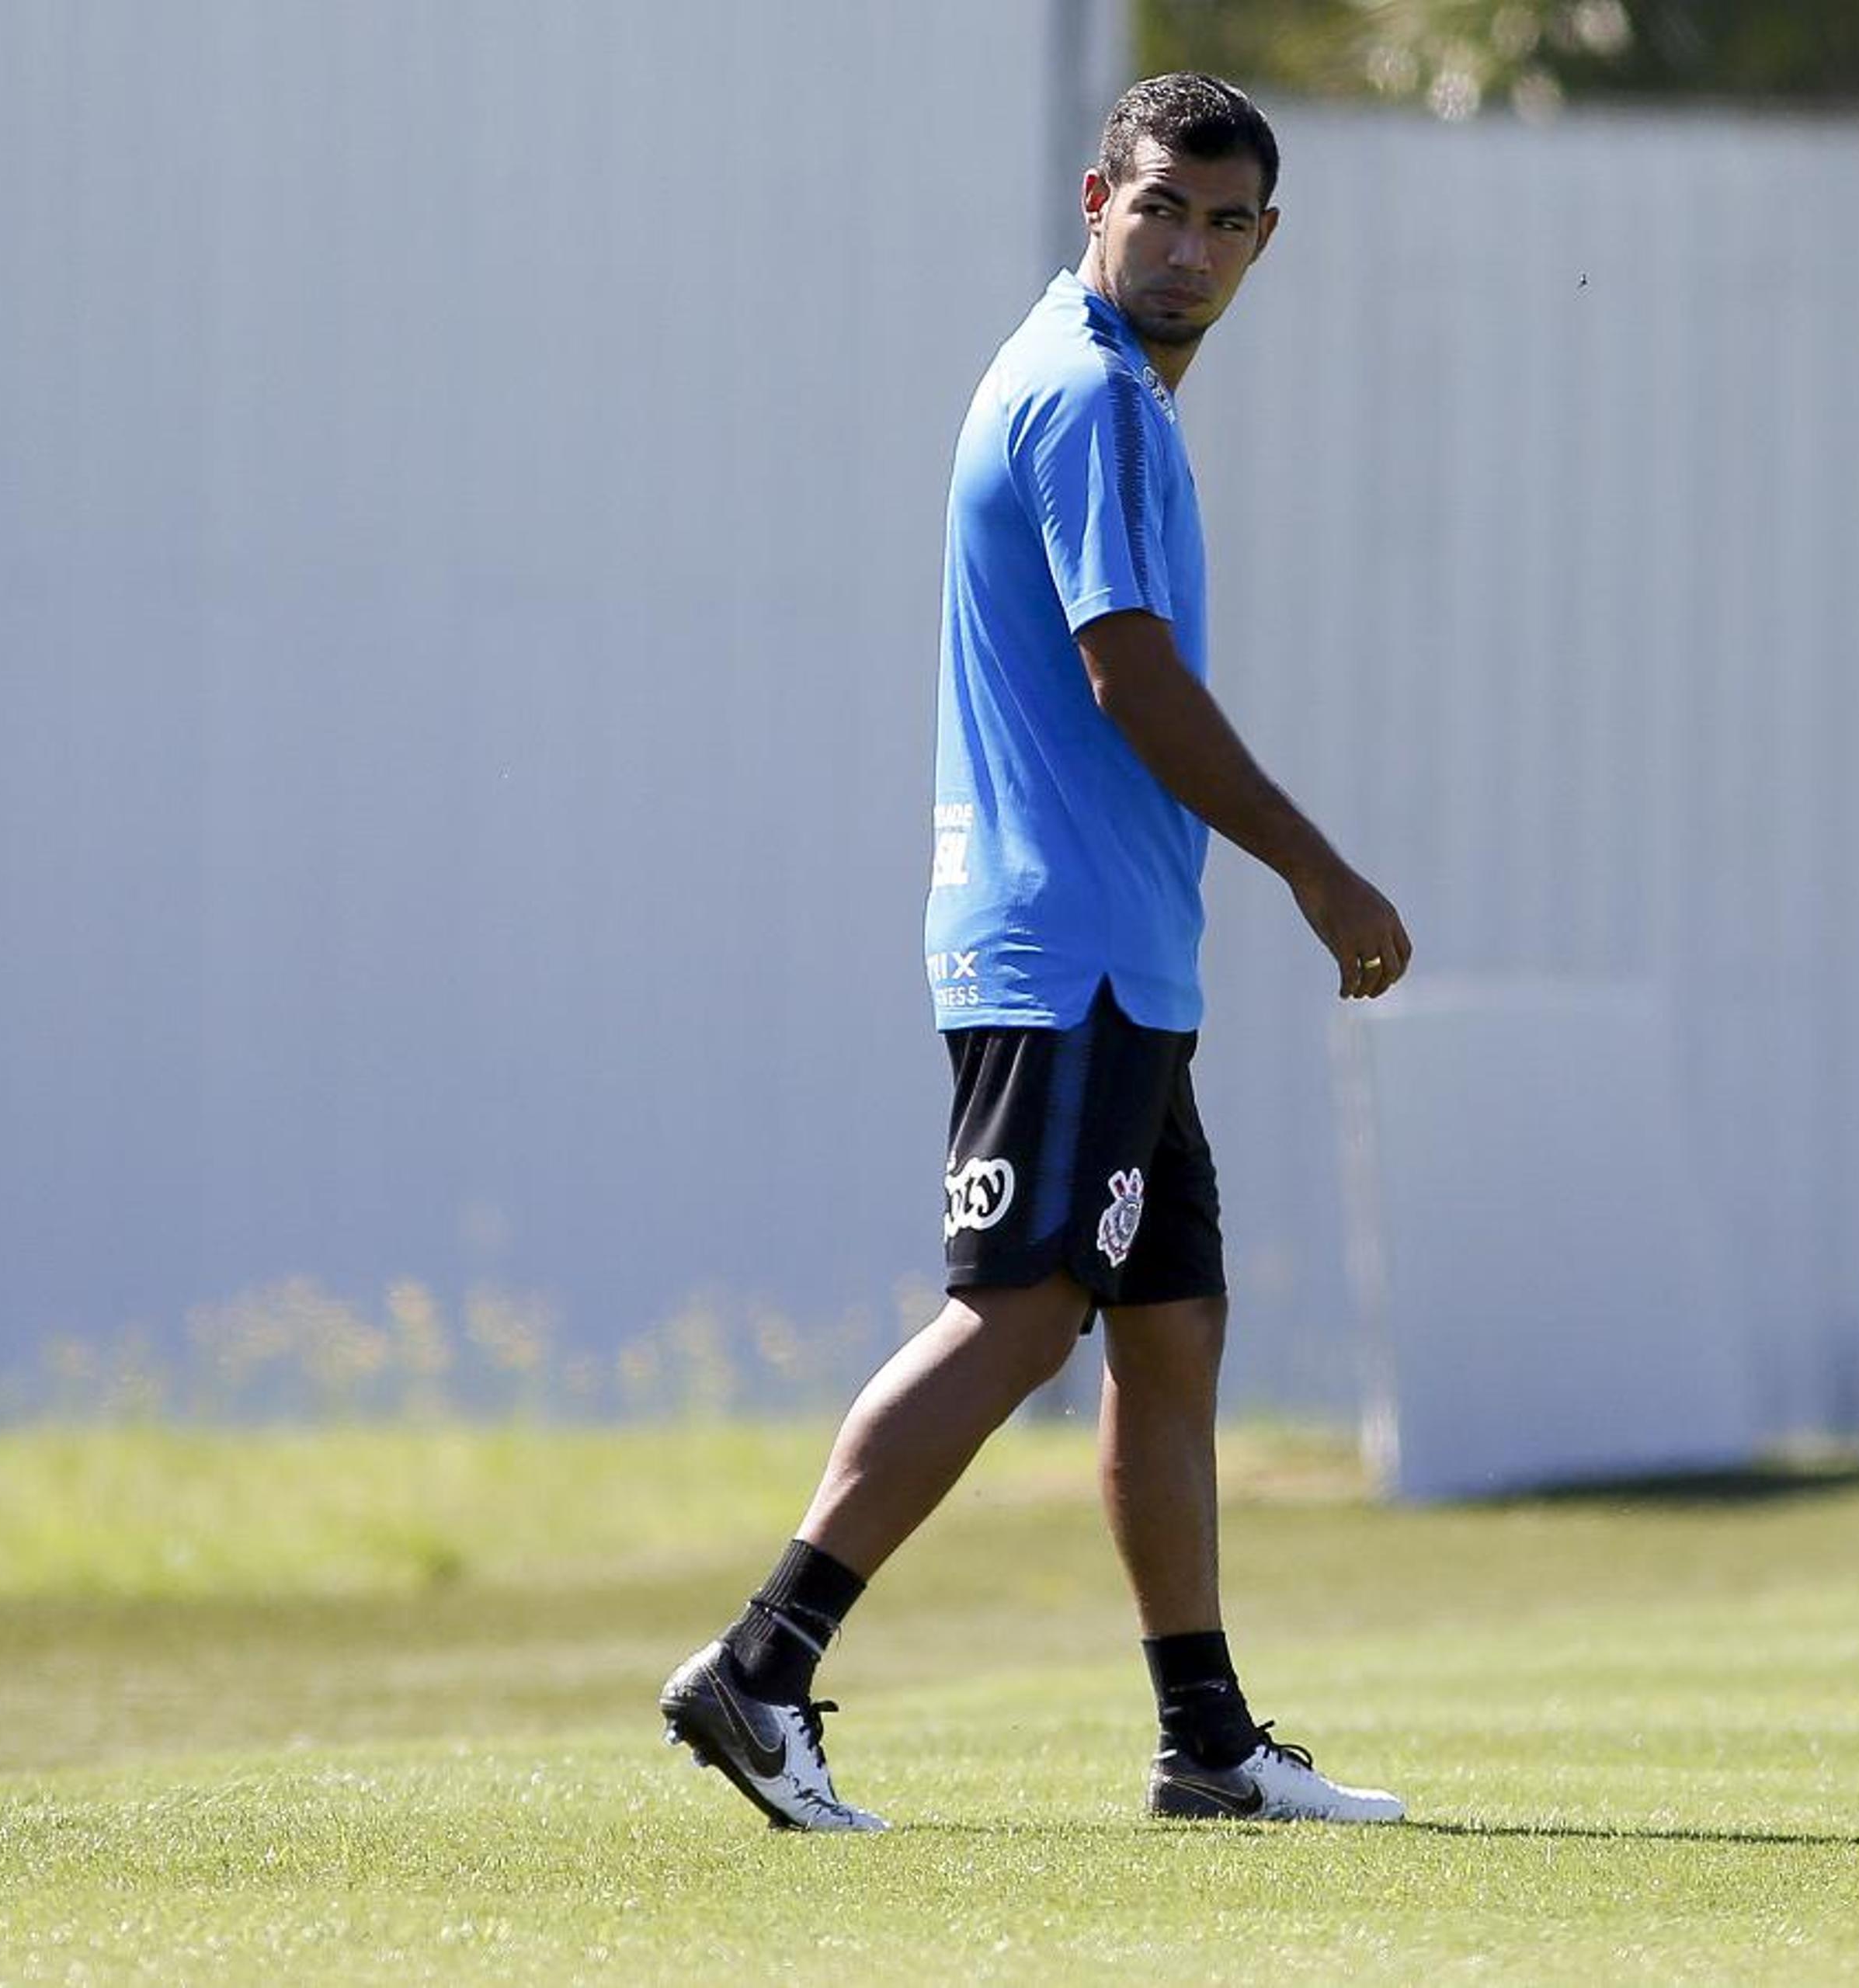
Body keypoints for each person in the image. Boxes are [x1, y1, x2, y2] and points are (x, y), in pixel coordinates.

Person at [658, 73, 1413, 1830]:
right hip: (1065, 951)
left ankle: (1206, 1741)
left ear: (1264, 240)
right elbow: (1126, 673)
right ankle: (763, 1671)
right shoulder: (1092, 397)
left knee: (1173, 1322)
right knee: (1019, 1314)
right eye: (1163, 210)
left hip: (1120, 957)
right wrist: (1317, 867)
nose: (1193, 251)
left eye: (1229, 224)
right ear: (1098, 197)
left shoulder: (1112, 390)